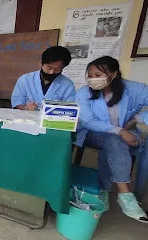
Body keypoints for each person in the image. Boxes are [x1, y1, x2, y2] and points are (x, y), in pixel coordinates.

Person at [75, 56, 148, 223]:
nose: (93, 79)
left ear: (114, 74)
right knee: (114, 141)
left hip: (126, 135)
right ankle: (125, 195)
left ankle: (104, 190)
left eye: (98, 74)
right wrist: (120, 131)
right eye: (90, 75)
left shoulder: (133, 89)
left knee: (116, 143)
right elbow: (88, 121)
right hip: (91, 134)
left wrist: (138, 118)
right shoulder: (84, 93)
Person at [11, 46, 76, 110]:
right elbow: (16, 103)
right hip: (27, 119)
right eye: (49, 68)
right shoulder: (25, 80)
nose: (52, 72)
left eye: (57, 69)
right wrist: (25, 107)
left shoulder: (68, 85)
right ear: (41, 63)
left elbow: (69, 109)